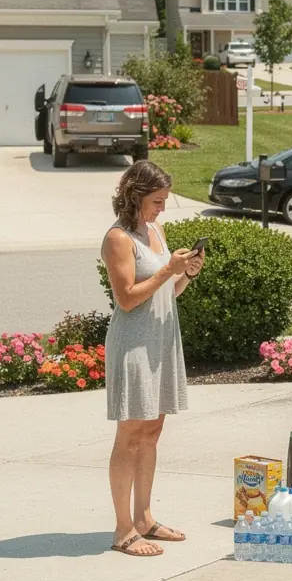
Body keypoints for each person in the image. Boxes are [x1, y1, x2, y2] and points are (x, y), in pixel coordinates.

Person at [101, 161, 205, 557]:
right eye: (157, 201)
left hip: (161, 339)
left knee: (152, 430)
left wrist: (187, 274)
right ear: (135, 196)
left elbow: (166, 291)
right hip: (134, 344)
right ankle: (123, 529)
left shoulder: (155, 230)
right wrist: (168, 271)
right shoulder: (118, 238)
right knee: (129, 435)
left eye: (164, 201)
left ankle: (144, 518)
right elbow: (127, 298)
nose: (162, 208)